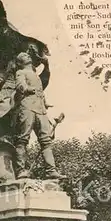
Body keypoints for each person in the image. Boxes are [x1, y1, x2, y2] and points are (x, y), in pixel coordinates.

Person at [14, 52, 65, 180]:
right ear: (20, 63)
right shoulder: (21, 72)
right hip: (27, 107)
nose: (28, 57)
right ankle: (21, 170)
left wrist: (45, 102)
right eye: (24, 57)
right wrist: (27, 89)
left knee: (46, 141)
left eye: (28, 55)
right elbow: (20, 85)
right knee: (23, 139)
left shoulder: (35, 75)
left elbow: (41, 91)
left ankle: (51, 170)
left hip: (40, 109)